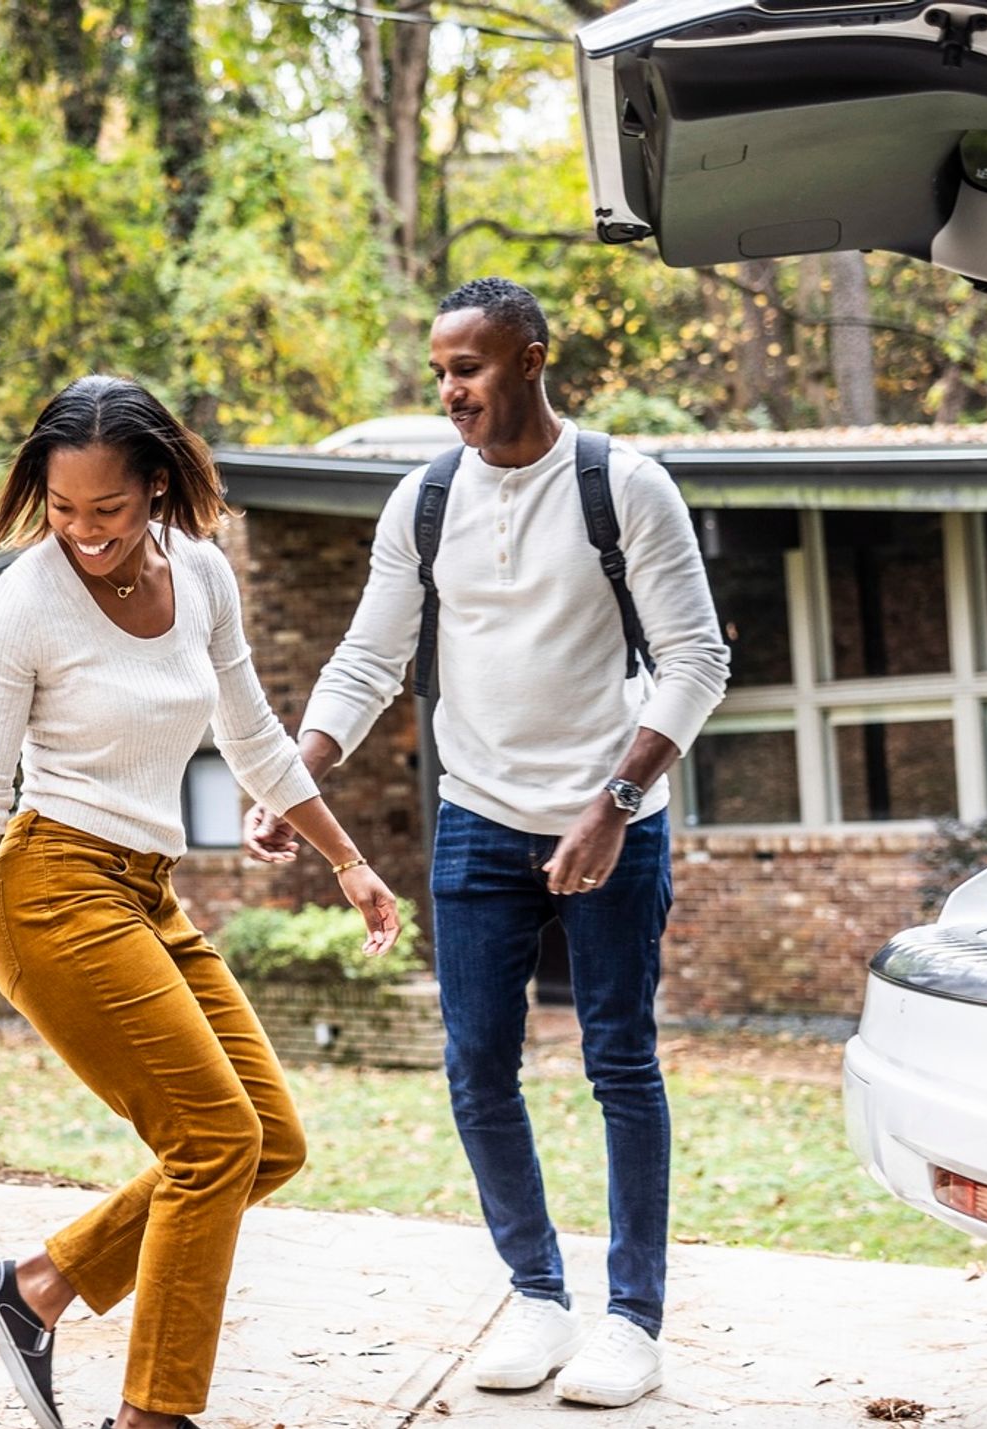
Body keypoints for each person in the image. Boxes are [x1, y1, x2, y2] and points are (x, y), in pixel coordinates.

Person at [248, 278, 730, 1409]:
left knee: (620, 1061)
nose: (450, 392)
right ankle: (537, 1293)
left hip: (614, 816)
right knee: (475, 1068)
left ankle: (633, 1319)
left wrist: (613, 801)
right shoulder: (422, 504)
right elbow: (368, 664)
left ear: (530, 357)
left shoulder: (625, 487)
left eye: (467, 368)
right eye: (439, 374)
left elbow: (698, 662)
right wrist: (294, 771)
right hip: (475, 818)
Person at [0, 375, 402, 1429]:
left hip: (144, 893)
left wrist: (347, 859)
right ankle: (154, 1417)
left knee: (270, 1139)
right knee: (214, 1142)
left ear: (159, 487)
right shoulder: (22, 605)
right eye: (64, 510)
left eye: (109, 511)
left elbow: (252, 732)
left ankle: (37, 1285)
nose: (85, 533)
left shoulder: (205, 574)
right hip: (49, 893)